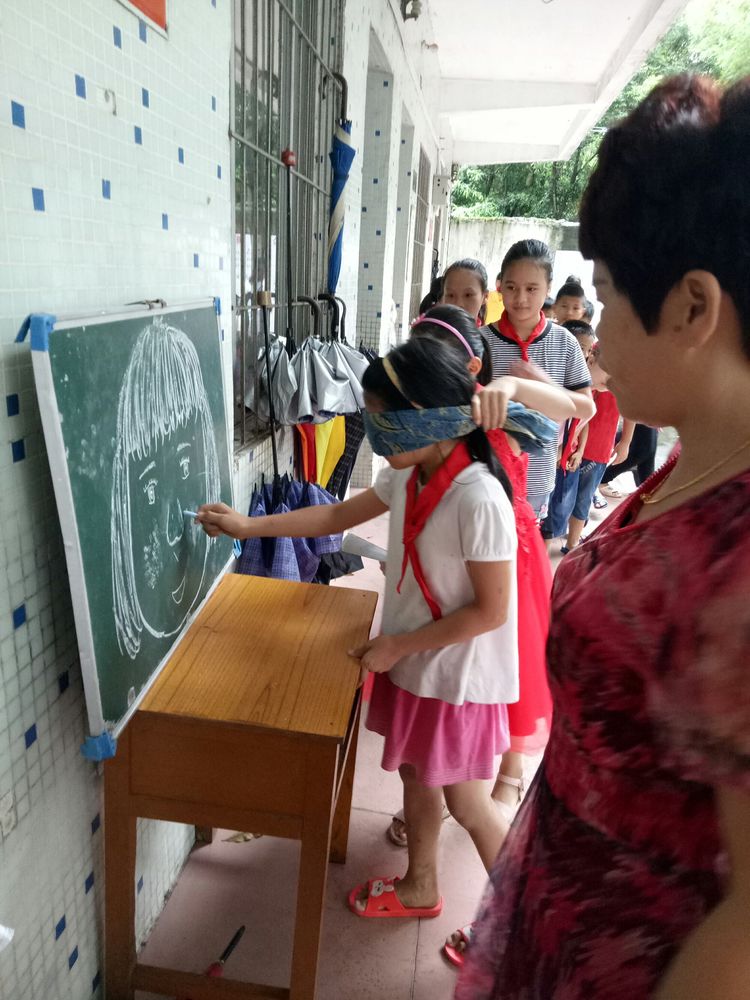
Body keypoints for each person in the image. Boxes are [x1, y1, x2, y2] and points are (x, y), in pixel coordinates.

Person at [456, 73, 750, 998]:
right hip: (561, 924)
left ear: (693, 307)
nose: (595, 337)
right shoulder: (696, 465)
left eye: (612, 295)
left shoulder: (741, 559)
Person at [198, 336, 521, 923]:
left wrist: (399, 645)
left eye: (380, 416)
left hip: (457, 679)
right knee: (418, 776)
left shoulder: (479, 497)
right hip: (420, 665)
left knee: (469, 803)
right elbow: (334, 514)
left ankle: (525, 927)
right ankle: (420, 886)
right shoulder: (410, 474)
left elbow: (490, 612)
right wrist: (248, 526)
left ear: (423, 416)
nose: (372, 429)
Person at [386, 306, 574, 857]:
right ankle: (435, 822)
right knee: (438, 738)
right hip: (456, 568)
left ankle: (507, 775)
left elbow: (581, 406)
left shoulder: (494, 411)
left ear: (469, 365)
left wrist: (512, 385)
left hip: (507, 562)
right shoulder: (422, 450)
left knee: (503, 680)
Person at [483, 239, 595, 522]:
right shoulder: (481, 341)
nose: (521, 298)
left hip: (537, 478)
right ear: (500, 286)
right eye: (511, 287)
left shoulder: (565, 342)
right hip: (486, 474)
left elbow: (586, 407)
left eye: (531, 289)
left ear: (548, 289)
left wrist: (542, 382)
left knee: (527, 543)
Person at [539, 321, 597, 547]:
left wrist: (579, 450)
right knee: (542, 520)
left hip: (566, 460)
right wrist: (556, 451)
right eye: (580, 348)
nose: (584, 354)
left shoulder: (583, 384)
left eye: (588, 350)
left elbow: (584, 421)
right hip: (547, 459)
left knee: (555, 516)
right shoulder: (553, 380)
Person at [441, 258, 489, 328]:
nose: (458, 304)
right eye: (451, 295)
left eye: (468, 295)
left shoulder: (488, 335)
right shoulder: (430, 333)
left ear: (485, 297)